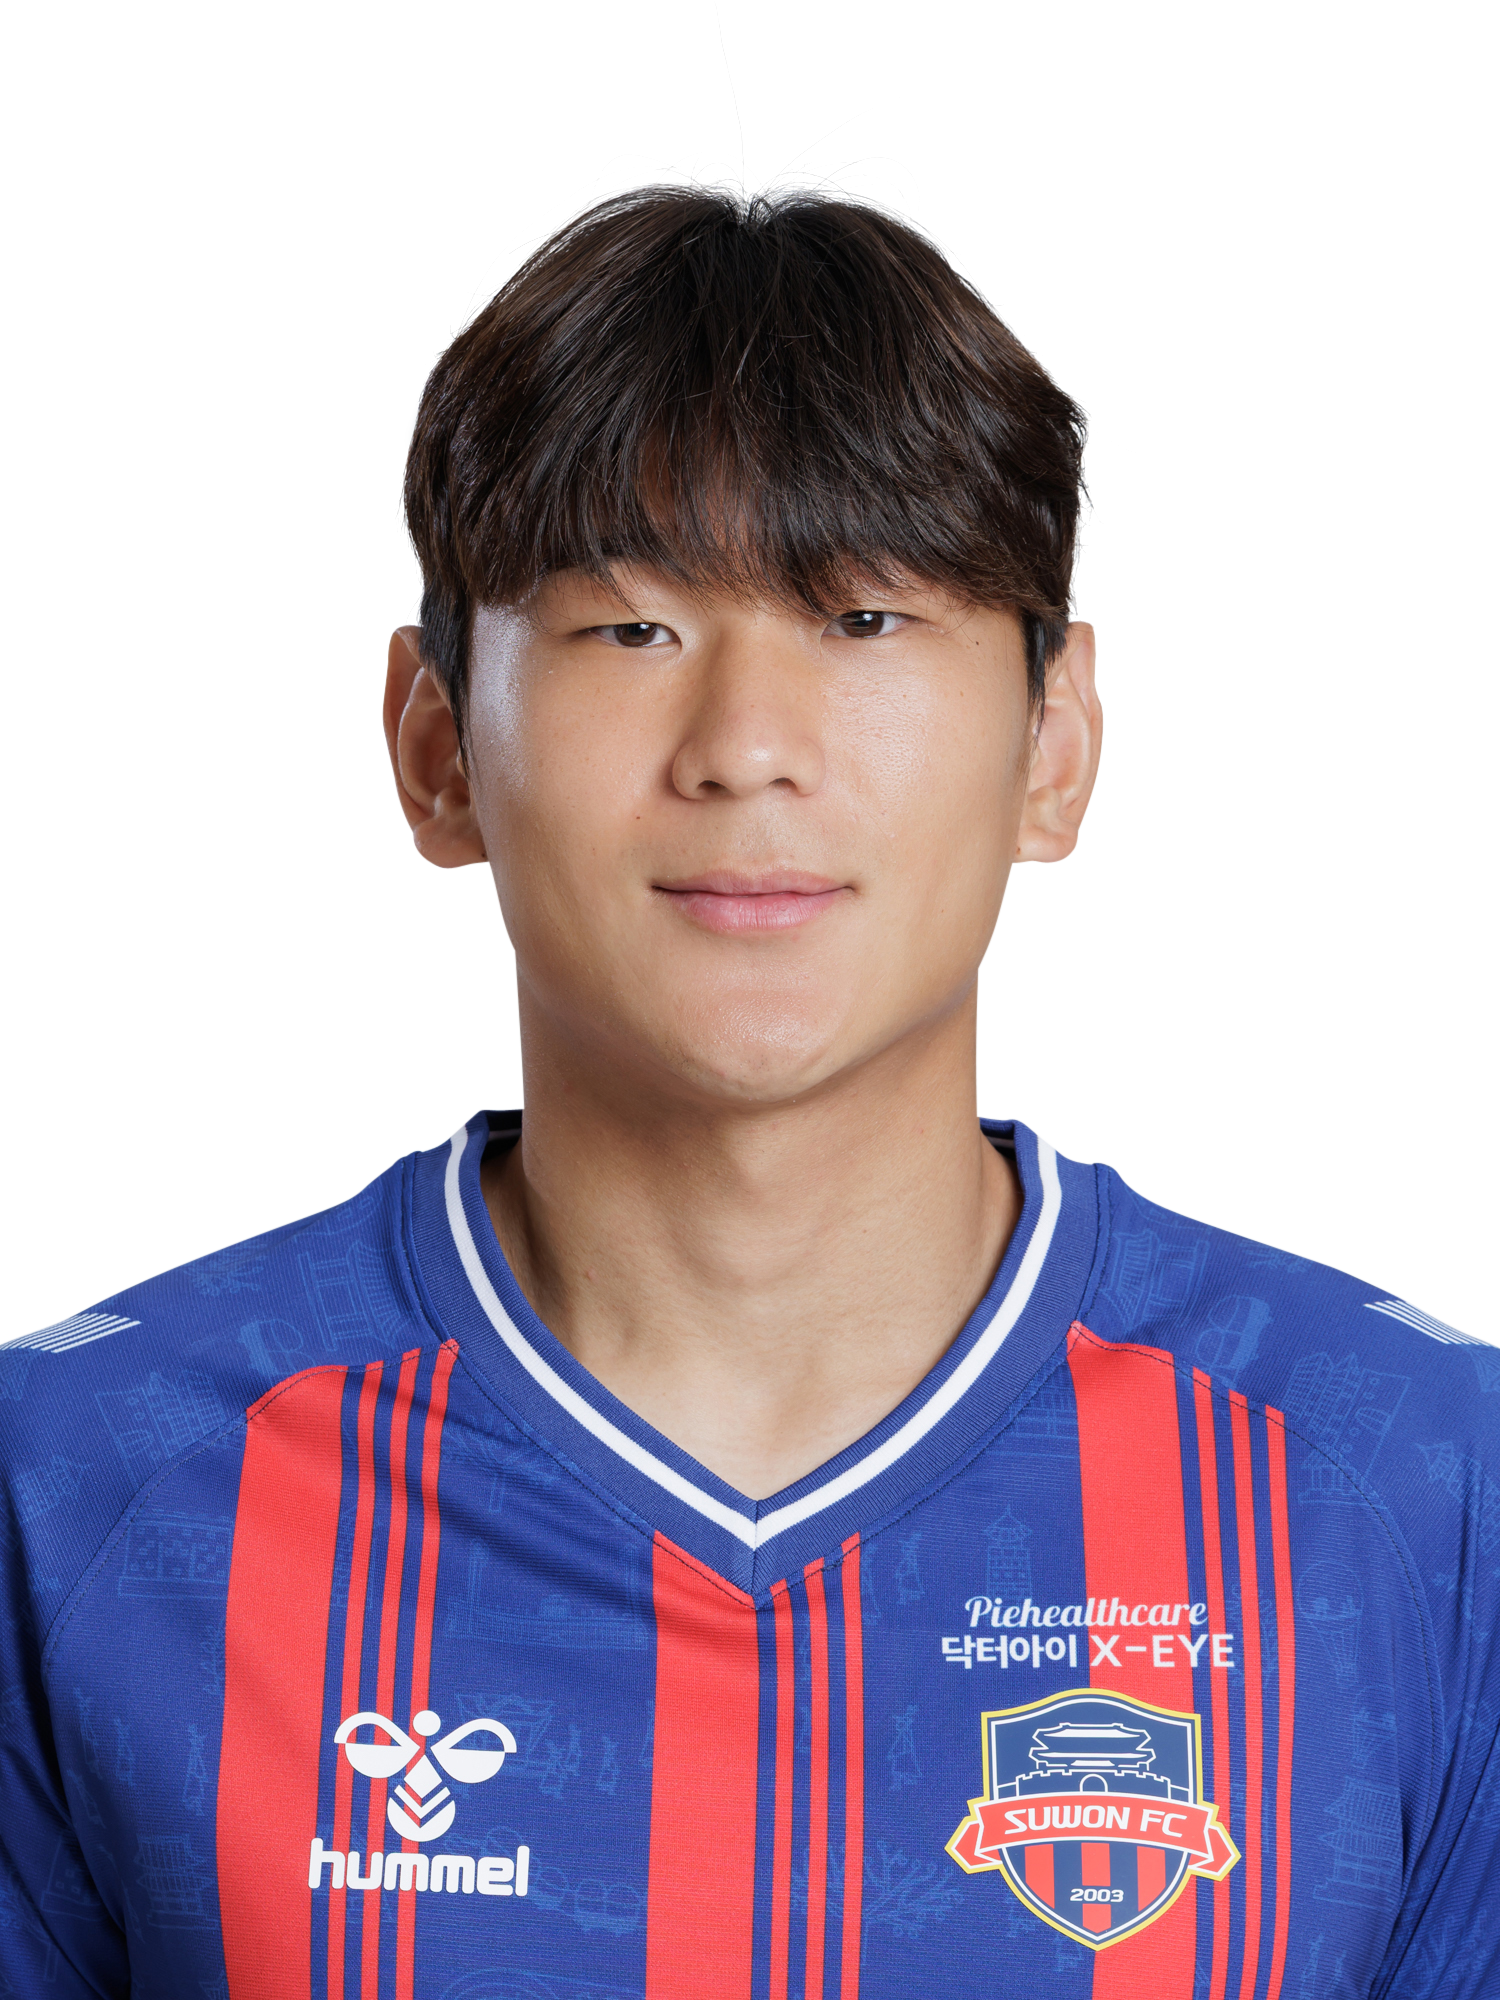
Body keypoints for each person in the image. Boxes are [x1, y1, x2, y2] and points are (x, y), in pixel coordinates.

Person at [0, 179, 1493, 2000]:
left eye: (865, 619)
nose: (749, 749)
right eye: (631, 629)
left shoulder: (1418, 1494)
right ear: (435, 747)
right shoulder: (78, 1489)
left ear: (1055, 743)